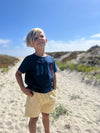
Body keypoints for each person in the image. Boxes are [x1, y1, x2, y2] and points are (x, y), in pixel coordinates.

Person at [15, 28, 57, 133]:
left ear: (46, 40)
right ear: (31, 43)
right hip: (34, 94)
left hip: (49, 93)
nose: (39, 39)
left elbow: (54, 74)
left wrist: (54, 89)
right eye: (35, 38)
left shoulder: (51, 59)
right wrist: (23, 89)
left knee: (46, 115)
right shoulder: (29, 59)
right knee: (33, 119)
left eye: (41, 36)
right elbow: (18, 74)